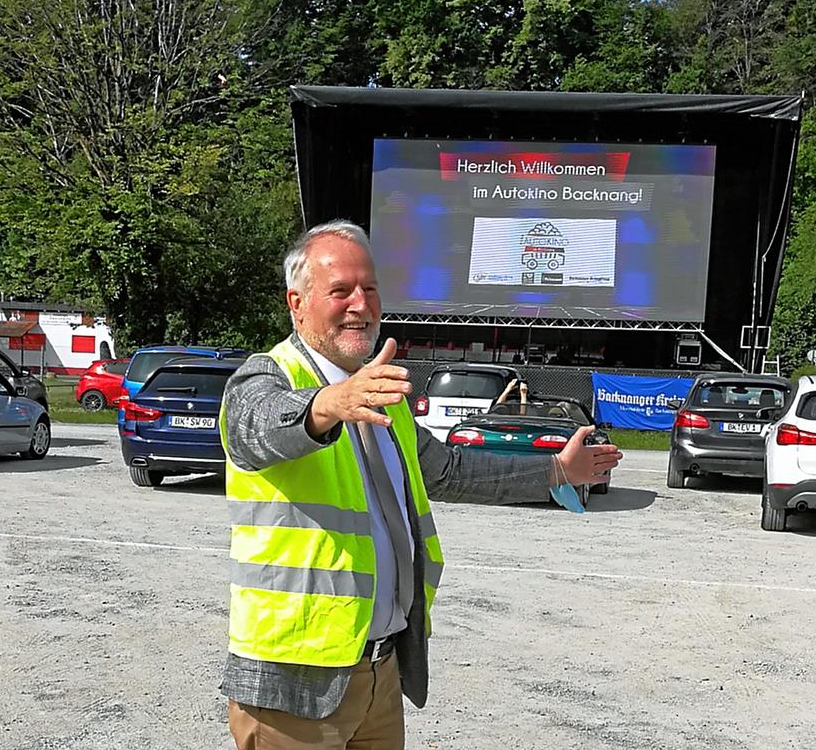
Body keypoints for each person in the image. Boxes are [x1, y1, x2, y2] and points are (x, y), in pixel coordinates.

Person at [219, 220, 622, 749]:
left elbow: (449, 470)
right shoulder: (266, 378)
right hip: (294, 680)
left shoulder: (385, 396)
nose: (360, 304)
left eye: (369, 288)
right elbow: (257, 426)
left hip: (379, 671)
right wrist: (327, 404)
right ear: (297, 303)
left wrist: (555, 472)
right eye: (340, 290)